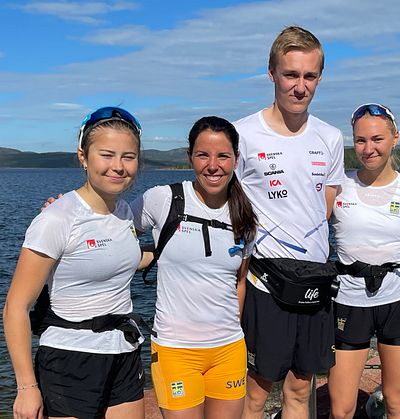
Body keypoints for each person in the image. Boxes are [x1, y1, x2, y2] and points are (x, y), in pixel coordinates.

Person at [3, 106, 147, 419]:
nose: (118, 167)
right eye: (107, 155)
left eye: (128, 156)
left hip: (123, 351)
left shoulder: (123, 212)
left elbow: (118, 260)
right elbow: (15, 306)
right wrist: (27, 387)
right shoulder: (57, 218)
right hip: (71, 358)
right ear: (83, 157)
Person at [232, 26, 345, 419]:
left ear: (319, 78)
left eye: (309, 76)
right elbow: (214, 196)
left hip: (314, 277)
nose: (300, 86)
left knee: (300, 388)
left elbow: (326, 205)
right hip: (264, 279)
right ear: (272, 74)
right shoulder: (244, 134)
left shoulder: (330, 137)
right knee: (257, 391)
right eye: (291, 75)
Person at [131, 116, 257, 419]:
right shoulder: (162, 199)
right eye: (203, 155)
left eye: (223, 156)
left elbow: (240, 281)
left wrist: (231, 328)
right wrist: (69, 216)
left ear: (236, 159)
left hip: (228, 349)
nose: (213, 165)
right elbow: (112, 234)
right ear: (190, 157)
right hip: (175, 350)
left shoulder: (245, 215)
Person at [328, 103, 400, 419]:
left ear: (395, 138)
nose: (368, 148)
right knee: (342, 407)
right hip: (348, 300)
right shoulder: (338, 187)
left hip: (397, 302)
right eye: (360, 140)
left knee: (397, 401)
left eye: (377, 139)